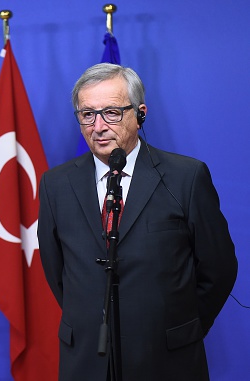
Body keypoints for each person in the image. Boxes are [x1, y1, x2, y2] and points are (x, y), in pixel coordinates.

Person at [37, 63, 237, 381]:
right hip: (87, 358)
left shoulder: (186, 177)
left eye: (112, 113)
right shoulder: (55, 184)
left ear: (140, 113)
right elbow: (57, 271)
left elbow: (218, 267)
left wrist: (180, 327)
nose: (98, 126)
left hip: (167, 359)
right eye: (87, 114)